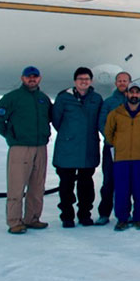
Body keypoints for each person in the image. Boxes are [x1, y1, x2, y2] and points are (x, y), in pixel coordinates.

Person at [0, 65, 53, 234]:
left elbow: (49, 118)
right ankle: (14, 221)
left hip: (40, 147)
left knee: (37, 186)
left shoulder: (43, 98)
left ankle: (32, 218)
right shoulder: (12, 98)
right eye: (28, 76)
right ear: (22, 78)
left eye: (35, 76)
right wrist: (12, 137)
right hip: (20, 148)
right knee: (16, 186)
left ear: (39, 78)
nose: (32, 79)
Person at [51, 67, 103, 227]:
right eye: (81, 79)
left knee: (86, 185)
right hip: (68, 149)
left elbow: (99, 120)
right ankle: (67, 216)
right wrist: (70, 135)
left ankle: (84, 214)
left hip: (88, 148)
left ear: (91, 81)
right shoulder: (63, 98)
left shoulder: (96, 98)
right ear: (75, 81)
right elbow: (56, 120)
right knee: (66, 185)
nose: (84, 82)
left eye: (87, 79)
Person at [104, 81, 140, 231]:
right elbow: (109, 132)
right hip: (121, 158)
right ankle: (122, 218)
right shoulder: (116, 113)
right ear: (126, 93)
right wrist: (119, 144)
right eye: (131, 92)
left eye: (137, 92)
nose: (134, 95)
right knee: (122, 190)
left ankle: (139, 218)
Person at [95, 71, 131, 225]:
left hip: (130, 149)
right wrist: (112, 139)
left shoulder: (135, 100)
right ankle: (104, 213)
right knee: (109, 181)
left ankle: (125, 212)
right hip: (112, 147)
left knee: (127, 182)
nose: (122, 83)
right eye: (120, 81)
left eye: (125, 81)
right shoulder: (109, 102)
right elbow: (102, 122)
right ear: (116, 83)